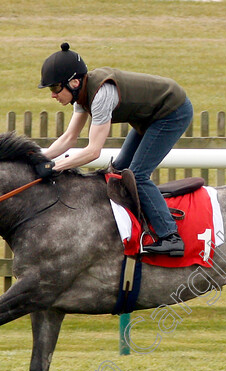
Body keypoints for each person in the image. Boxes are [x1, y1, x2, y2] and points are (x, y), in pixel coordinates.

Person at [37, 43, 193, 257]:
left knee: (137, 175)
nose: (53, 95)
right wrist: (40, 159)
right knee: (118, 170)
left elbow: (93, 151)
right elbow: (68, 138)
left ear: (73, 82)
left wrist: (55, 167)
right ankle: (134, 225)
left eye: (55, 88)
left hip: (171, 112)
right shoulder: (82, 94)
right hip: (149, 115)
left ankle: (170, 237)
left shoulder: (100, 96)